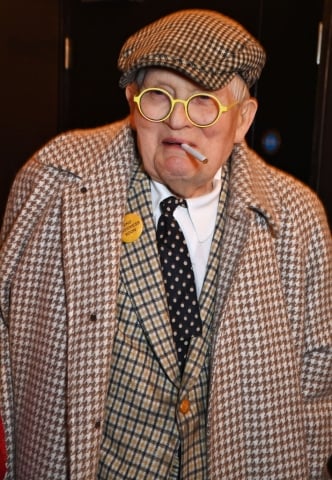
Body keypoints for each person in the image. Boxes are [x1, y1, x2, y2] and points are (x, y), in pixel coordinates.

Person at [0, 8, 331, 480]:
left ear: (243, 121)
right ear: (134, 103)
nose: (178, 123)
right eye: (159, 98)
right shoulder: (54, 180)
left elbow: (319, 385)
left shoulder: (298, 220)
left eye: (204, 103)